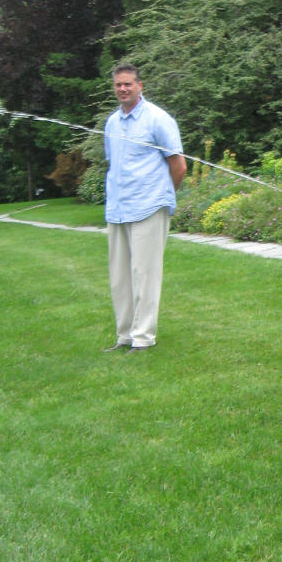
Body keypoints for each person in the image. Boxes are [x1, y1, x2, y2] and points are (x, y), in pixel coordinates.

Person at [103, 63, 187, 353]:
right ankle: (124, 336)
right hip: (118, 209)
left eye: (128, 84)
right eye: (118, 85)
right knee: (119, 278)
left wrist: (162, 196)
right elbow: (113, 163)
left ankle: (143, 338)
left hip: (149, 206)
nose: (122, 89)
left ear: (140, 85)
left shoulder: (157, 119)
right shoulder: (112, 123)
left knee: (145, 274)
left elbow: (178, 164)